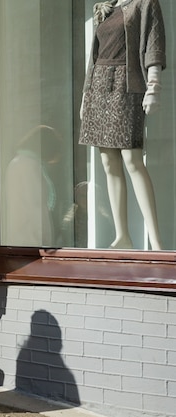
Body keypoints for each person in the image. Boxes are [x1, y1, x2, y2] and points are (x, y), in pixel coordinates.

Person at [79, 0, 166, 250]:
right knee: (108, 162)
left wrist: (154, 86)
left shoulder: (144, 3)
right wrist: (86, 96)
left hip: (126, 85)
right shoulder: (106, 7)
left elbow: (153, 43)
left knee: (132, 160)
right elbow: (93, 57)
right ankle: (122, 236)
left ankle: (157, 243)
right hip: (98, 87)